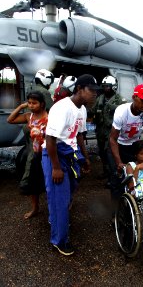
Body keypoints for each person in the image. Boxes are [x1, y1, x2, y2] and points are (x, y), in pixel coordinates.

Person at [42, 74, 101, 256]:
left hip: (71, 152)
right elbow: (50, 139)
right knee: (60, 196)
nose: (94, 95)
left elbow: (79, 135)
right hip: (55, 152)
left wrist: (85, 158)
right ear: (79, 89)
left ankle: (56, 217)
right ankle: (60, 241)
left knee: (69, 191)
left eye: (96, 93)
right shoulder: (62, 108)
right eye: (91, 91)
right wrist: (56, 167)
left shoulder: (81, 109)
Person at [108, 84, 143, 215]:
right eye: (142, 100)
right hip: (118, 145)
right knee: (117, 180)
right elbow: (112, 139)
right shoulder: (121, 111)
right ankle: (115, 214)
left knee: (134, 178)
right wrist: (118, 162)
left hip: (134, 146)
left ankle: (131, 210)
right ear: (134, 97)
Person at [7, 91, 48, 219]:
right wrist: (20, 107)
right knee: (33, 183)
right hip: (32, 156)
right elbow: (10, 119)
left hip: (47, 155)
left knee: (49, 182)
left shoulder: (49, 117)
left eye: (34, 103)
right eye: (29, 103)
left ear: (42, 104)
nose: (31, 105)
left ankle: (57, 206)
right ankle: (35, 208)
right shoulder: (27, 116)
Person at [19, 69, 54, 194]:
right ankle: (27, 182)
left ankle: (28, 181)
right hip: (37, 127)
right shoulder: (44, 92)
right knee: (34, 154)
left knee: (31, 153)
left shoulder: (32, 88)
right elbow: (51, 109)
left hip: (30, 125)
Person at [88, 75, 126, 178]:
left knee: (110, 151)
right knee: (102, 152)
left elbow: (124, 111)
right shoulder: (100, 98)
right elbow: (92, 110)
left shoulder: (119, 100)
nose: (105, 88)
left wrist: (112, 107)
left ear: (113, 87)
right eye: (104, 86)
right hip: (101, 130)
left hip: (112, 130)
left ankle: (113, 173)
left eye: (108, 86)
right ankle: (106, 171)